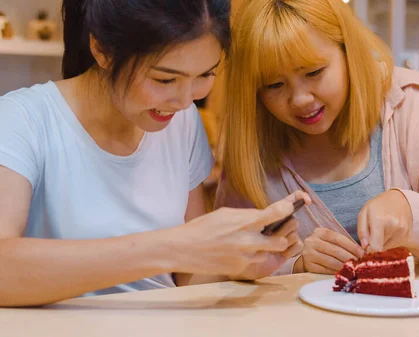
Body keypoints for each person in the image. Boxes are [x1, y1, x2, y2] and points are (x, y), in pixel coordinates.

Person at [0, 0, 309, 307]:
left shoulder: (181, 121)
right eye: (165, 79)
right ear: (102, 50)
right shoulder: (22, 119)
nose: (185, 100)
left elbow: (185, 276)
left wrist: (238, 264)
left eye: (205, 75)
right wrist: (176, 247)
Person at [216, 0, 419, 275]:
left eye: (314, 72)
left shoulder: (404, 103)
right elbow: (226, 262)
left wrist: (410, 212)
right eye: (273, 85)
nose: (300, 99)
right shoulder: (250, 146)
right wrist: (295, 265)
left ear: (348, 53)